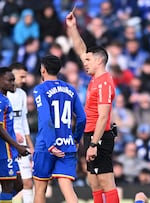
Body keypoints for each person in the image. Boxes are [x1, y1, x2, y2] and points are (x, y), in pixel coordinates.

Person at [66, 12, 119, 203]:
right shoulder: (95, 79)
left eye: (88, 60)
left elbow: (103, 116)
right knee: (94, 182)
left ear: (99, 60)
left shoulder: (104, 82)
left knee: (105, 181)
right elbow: (81, 49)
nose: (84, 64)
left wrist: (94, 144)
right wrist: (72, 28)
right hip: (90, 134)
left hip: (100, 136)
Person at [32, 55, 86, 203]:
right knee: (67, 189)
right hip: (67, 144)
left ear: (43, 70)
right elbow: (82, 118)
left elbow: (46, 119)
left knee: (40, 189)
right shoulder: (71, 89)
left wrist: (50, 145)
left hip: (46, 145)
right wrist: (75, 139)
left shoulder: (40, 89)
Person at [0, 62, 35, 203]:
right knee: (4, 184)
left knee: (21, 184)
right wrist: (17, 144)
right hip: (5, 147)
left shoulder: (16, 95)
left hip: (14, 147)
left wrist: (27, 144)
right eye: (12, 79)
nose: (15, 82)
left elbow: (22, 120)